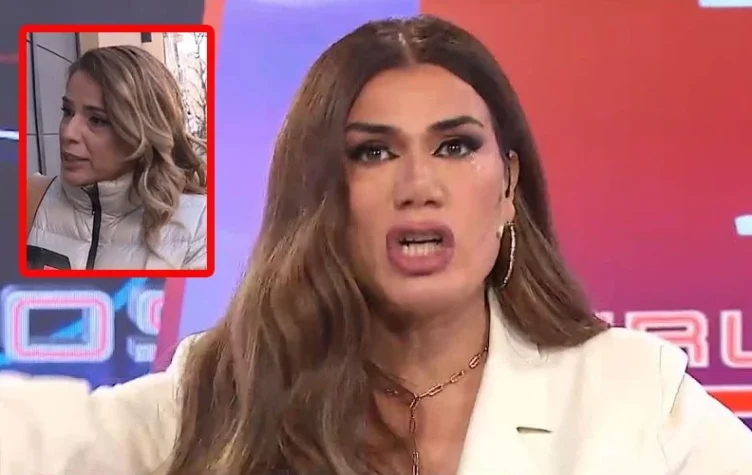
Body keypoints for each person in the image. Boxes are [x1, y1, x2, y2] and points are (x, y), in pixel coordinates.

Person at [3, 16, 751, 475]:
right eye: (373, 152)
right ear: (322, 194)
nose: (419, 184)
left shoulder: (630, 392)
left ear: (508, 184)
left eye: (455, 147)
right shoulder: (229, 388)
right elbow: (44, 442)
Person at [25, 45, 208, 270]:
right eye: (68, 111)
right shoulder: (30, 199)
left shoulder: (199, 227)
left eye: (97, 120)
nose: (68, 133)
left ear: (143, 130)